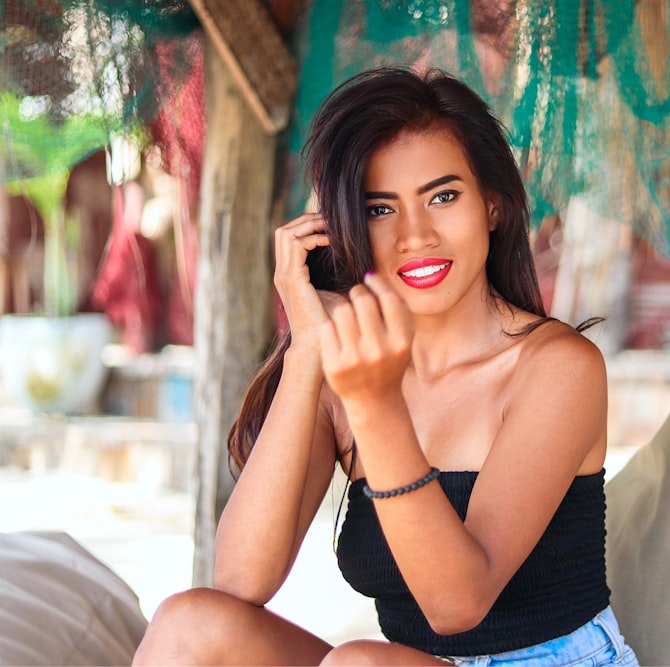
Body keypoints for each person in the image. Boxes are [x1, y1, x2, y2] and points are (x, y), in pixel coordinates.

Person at [132, 66, 638, 667]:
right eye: (379, 209)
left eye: (443, 197)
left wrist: (374, 405)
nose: (415, 235)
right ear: (343, 230)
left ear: (493, 207)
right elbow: (241, 580)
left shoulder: (557, 369)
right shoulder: (346, 372)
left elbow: (457, 605)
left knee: (359, 664)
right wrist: (309, 349)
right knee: (191, 625)